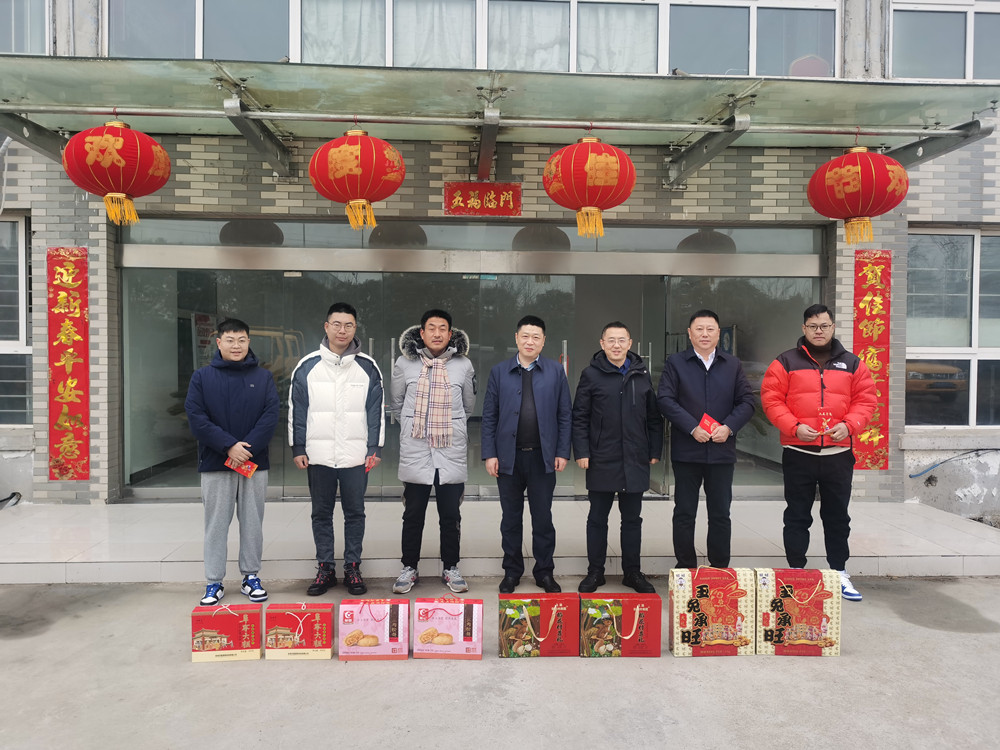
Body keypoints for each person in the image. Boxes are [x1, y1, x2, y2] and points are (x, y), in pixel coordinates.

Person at [761, 303, 876, 602]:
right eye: (813, 326)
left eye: (824, 326)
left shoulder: (852, 363)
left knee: (837, 516)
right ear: (804, 328)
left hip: (838, 454)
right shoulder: (785, 361)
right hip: (798, 451)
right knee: (797, 515)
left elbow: (866, 401)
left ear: (833, 327)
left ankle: (839, 572)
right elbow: (772, 400)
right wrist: (794, 427)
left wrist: (849, 426)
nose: (819, 331)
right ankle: (795, 572)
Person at [288, 302, 385, 597]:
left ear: (355, 328)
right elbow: (297, 410)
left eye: (349, 325)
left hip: (356, 456)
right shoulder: (307, 366)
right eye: (337, 324)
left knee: (355, 513)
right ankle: (325, 568)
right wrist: (298, 447)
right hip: (318, 455)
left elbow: (376, 412)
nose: (342, 330)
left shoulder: (367, 367)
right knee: (321, 513)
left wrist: (374, 448)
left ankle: (353, 567)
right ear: (326, 327)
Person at [185, 318, 280, 606]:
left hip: (253, 462)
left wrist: (245, 449)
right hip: (216, 462)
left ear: (248, 342)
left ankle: (251, 577)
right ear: (219, 343)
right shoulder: (202, 377)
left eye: (241, 340)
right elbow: (196, 417)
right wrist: (228, 446)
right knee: (216, 524)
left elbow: (270, 415)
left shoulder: (263, 377)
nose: (236, 345)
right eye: (230, 340)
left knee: (252, 522)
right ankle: (214, 581)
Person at [657, 309, 755, 571]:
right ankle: (686, 567)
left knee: (720, 513)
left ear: (718, 333)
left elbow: (747, 401)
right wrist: (691, 427)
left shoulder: (732, 364)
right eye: (699, 329)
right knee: (684, 512)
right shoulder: (676, 363)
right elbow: (665, 399)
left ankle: (719, 568)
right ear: (689, 334)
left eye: (710, 329)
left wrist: (729, 427)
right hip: (687, 451)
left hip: (722, 451)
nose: (704, 334)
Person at [482, 314, 572, 594]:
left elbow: (565, 414)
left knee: (542, 519)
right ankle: (512, 572)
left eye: (536, 337)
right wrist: (490, 454)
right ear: (516, 339)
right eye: (525, 336)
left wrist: (562, 451)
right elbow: (489, 416)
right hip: (508, 458)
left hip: (542, 458)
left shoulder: (555, 372)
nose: (530, 341)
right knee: (510, 519)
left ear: (543, 341)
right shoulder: (499, 372)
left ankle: (544, 572)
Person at [389, 309, 477, 594]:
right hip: (417, 449)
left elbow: (468, 406)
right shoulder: (404, 363)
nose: (437, 334)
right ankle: (409, 567)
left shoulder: (464, 365)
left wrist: (444, 425)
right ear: (422, 333)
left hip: (450, 449)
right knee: (413, 514)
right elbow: (397, 403)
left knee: (450, 514)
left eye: (442, 329)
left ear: (450, 334)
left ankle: (451, 567)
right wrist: (419, 426)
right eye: (431, 328)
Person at [572, 322, 663, 594]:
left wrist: (654, 450)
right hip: (602, 457)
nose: (616, 345)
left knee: (632, 520)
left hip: (635, 457)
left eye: (621, 340)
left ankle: (632, 572)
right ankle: (595, 572)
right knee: (597, 518)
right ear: (602, 344)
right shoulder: (591, 374)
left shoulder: (641, 374)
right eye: (611, 340)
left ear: (630, 343)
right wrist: (582, 451)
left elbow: (653, 417)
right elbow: (580, 416)